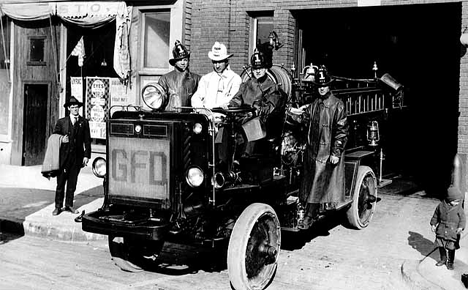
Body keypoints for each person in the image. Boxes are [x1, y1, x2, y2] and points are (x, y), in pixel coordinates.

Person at [289, 65, 348, 230]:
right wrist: (289, 115)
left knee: (316, 184)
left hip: (326, 152)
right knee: (308, 183)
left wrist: (336, 152)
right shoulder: (314, 104)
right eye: (319, 86)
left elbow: (342, 131)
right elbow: (304, 120)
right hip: (312, 150)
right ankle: (305, 211)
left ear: (329, 86)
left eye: (324, 85)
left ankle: (309, 216)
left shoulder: (337, 105)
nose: (322, 89)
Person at [225, 48, 285, 156]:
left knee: (252, 125)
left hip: (261, 122)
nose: (257, 71)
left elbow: (269, 107)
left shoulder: (272, 87)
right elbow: (237, 99)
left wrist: (255, 110)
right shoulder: (246, 85)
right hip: (243, 118)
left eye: (260, 68)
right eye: (255, 68)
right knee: (224, 126)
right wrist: (230, 105)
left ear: (266, 69)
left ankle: (245, 158)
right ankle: (221, 160)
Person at [52, 96, 91, 216]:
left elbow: (87, 140)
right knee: (60, 183)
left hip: (77, 158)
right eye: (72, 107)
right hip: (63, 158)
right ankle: (58, 206)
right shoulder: (61, 122)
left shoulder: (83, 122)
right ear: (68, 108)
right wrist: (61, 139)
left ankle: (69, 205)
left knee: (72, 183)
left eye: (76, 107)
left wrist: (86, 155)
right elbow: (54, 138)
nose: (75, 109)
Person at [191, 41, 242, 109]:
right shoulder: (206, 79)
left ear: (226, 61)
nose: (217, 66)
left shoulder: (235, 79)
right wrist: (201, 109)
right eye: (215, 62)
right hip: (206, 115)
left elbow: (234, 100)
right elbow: (196, 98)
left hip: (226, 115)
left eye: (220, 62)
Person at [158, 40, 201, 111]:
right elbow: (159, 102)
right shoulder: (164, 79)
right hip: (170, 116)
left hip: (190, 117)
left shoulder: (197, 79)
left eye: (185, 60)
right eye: (180, 60)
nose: (183, 63)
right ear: (175, 62)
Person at [430, 186, 466, 270]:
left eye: (458, 201)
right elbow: (436, 215)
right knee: (441, 245)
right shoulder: (440, 206)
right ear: (449, 199)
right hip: (441, 229)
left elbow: (463, 218)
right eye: (455, 201)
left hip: (453, 231)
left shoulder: (459, 208)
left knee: (451, 247)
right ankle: (443, 259)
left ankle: (450, 262)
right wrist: (433, 224)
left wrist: (461, 227)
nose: (457, 203)